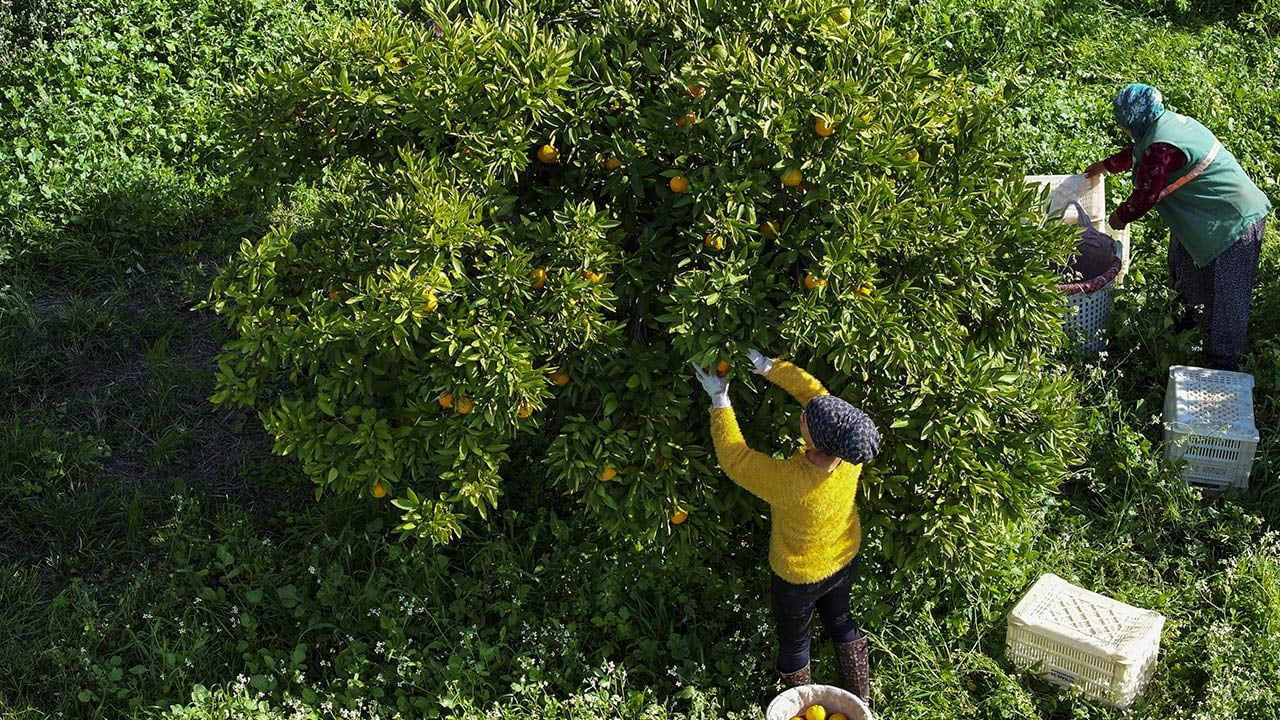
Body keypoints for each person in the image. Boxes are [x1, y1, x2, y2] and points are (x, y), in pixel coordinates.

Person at [692, 349, 880, 701]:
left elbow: (736, 459)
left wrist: (719, 399)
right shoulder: (849, 453)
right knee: (841, 621)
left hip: (798, 579)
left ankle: (799, 706)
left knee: (796, 642)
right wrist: (768, 367)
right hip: (842, 560)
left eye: (806, 418)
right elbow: (815, 393)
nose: (804, 412)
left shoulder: (791, 481)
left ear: (814, 441)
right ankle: (862, 699)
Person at [1084, 83, 1272, 371]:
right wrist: (1105, 166)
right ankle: (1185, 331)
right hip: (1204, 219)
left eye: (1125, 125)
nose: (1125, 131)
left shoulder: (1162, 145)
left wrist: (1119, 217)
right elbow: (1137, 153)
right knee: (1185, 272)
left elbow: (1146, 193)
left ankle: (1222, 365)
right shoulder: (1164, 125)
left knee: (1226, 297)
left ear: (1135, 121)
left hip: (1234, 222)